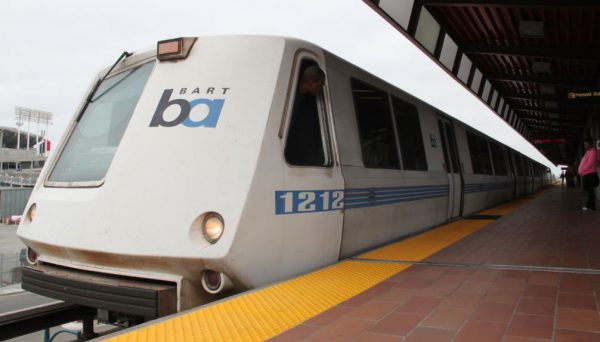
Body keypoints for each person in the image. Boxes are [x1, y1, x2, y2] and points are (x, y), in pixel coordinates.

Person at [284, 65, 326, 166]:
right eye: (320, 85)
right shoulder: (288, 94)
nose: (321, 89)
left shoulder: (310, 101)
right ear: (311, 82)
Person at [578, 138, 599, 210]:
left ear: (591, 144)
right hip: (588, 174)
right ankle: (590, 205)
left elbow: (590, 163)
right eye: (584, 145)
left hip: (591, 174)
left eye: (586, 144)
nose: (585, 146)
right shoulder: (588, 152)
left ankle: (591, 206)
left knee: (591, 191)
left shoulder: (593, 151)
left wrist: (582, 170)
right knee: (589, 191)